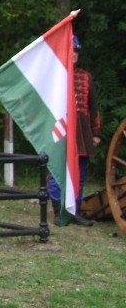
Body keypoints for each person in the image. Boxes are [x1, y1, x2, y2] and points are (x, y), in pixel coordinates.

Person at [49, 34, 102, 226]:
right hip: (62, 133)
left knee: (79, 175)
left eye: (76, 51)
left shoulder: (86, 77)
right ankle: (58, 213)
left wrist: (96, 134)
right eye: (71, 51)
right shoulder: (56, 76)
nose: (74, 54)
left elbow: (93, 108)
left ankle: (75, 212)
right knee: (57, 174)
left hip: (82, 135)